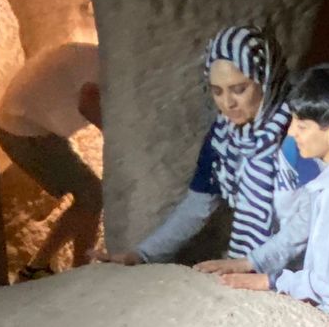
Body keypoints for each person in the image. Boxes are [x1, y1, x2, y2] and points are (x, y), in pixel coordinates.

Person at [101, 24, 318, 266]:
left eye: (239, 89)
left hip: (309, 267)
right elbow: (198, 205)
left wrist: (254, 264)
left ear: (266, 81)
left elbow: (312, 218)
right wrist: (142, 254)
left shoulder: (302, 130)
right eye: (217, 91)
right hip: (256, 265)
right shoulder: (224, 137)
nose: (228, 103)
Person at [213, 63, 329, 319]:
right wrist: (252, 262)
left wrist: (272, 281)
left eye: (301, 126)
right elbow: (306, 221)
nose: (292, 132)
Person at [0, 41, 102, 277]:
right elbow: (88, 103)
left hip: (21, 123)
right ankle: (81, 273)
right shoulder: (104, 64)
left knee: (89, 195)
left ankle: (39, 267)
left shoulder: (91, 55)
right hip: (23, 131)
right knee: (92, 194)